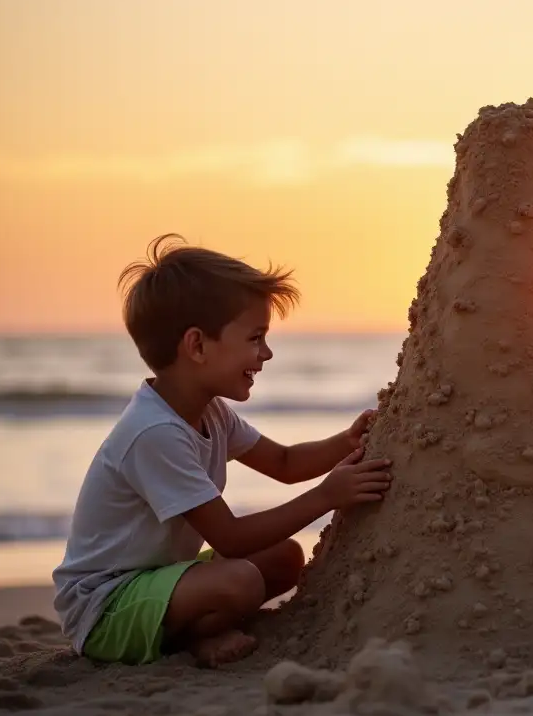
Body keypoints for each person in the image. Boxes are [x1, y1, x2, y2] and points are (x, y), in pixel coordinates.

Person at [52, 234, 392, 667]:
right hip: (105, 606)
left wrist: (346, 441)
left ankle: (196, 626)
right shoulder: (154, 432)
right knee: (241, 582)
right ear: (197, 346)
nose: (265, 353)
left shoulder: (211, 412)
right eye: (255, 338)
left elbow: (285, 463)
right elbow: (229, 536)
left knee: (284, 557)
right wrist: (327, 496)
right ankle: (196, 637)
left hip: (157, 580)